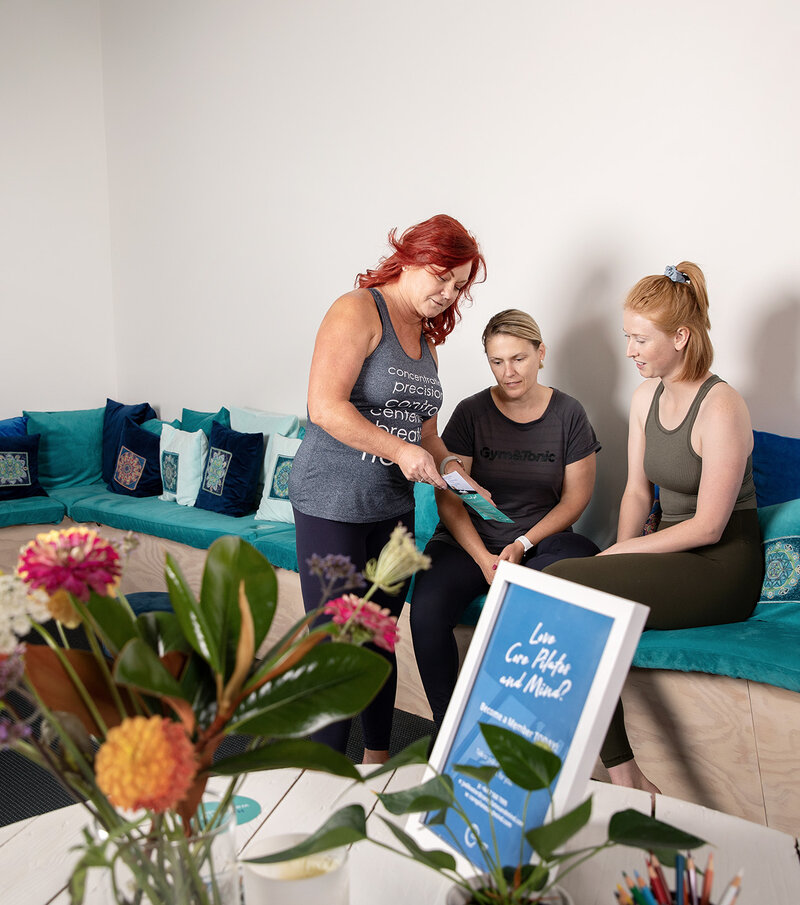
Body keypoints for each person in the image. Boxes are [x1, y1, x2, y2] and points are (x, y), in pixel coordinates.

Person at [545, 262, 762, 793]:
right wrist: (624, 548)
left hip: (722, 565)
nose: (630, 351)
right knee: (555, 582)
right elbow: (638, 493)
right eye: (627, 337)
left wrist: (620, 557)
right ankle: (619, 770)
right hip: (670, 549)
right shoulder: (646, 397)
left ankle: (624, 775)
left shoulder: (723, 406)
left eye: (641, 339)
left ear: (681, 337)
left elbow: (710, 526)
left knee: (568, 583)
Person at [289, 213, 486, 763]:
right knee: (335, 649)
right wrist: (401, 452)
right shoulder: (357, 310)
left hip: (390, 508)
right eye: (442, 276)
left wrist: (452, 468)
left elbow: (424, 431)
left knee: (376, 639)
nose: (448, 294)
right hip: (332, 501)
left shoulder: (426, 341)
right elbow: (324, 406)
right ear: (411, 256)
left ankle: (376, 763)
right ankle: (316, 782)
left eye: (459, 286)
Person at [410, 309, 601, 728]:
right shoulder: (472, 413)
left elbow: (575, 501)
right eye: (497, 362)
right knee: (424, 611)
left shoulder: (569, 414)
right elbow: (452, 500)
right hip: (469, 543)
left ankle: (512, 727)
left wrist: (521, 545)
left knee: (574, 572)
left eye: (518, 358)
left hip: (540, 544)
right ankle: (448, 733)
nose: (508, 372)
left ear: (540, 353)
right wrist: (483, 558)